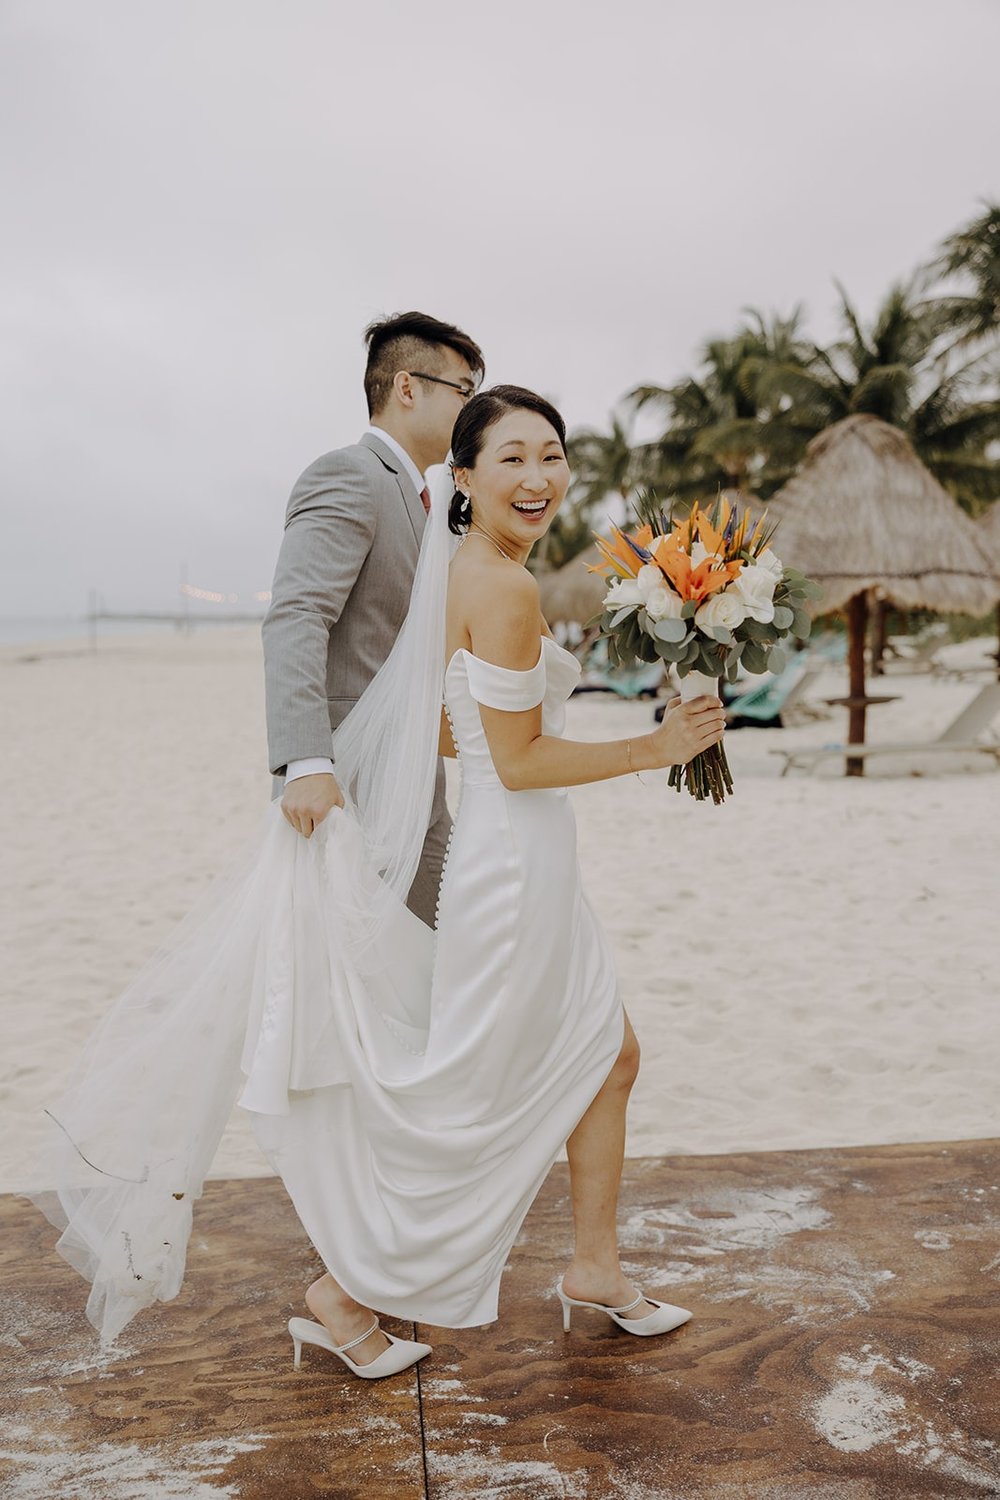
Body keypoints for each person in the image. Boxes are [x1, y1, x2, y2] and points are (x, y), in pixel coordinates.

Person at [32, 387, 725, 1380]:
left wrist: (558, 729)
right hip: (515, 864)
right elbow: (517, 761)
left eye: (553, 455)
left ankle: (594, 1268)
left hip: (513, 857)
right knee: (483, 1097)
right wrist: (654, 746)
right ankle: (345, 1295)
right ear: (467, 475)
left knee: (607, 1056)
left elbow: (449, 730)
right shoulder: (508, 590)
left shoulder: (461, 574)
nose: (539, 478)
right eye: (513, 458)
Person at [263, 310, 484, 924]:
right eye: (464, 391)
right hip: (347, 786)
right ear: (406, 388)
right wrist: (306, 764)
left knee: (443, 954)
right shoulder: (350, 476)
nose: (473, 411)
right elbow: (298, 615)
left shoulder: (433, 500)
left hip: (419, 779)